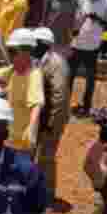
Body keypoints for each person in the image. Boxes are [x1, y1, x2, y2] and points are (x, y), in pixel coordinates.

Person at [0, 28, 43, 154]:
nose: (9, 56)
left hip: (20, 145)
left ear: (26, 53)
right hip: (7, 140)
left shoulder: (34, 76)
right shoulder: (13, 71)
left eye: (12, 52)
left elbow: (36, 105)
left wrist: (31, 130)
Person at [31, 27, 69, 203]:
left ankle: (47, 196)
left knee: (46, 157)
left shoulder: (56, 64)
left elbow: (59, 97)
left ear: (44, 45)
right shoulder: (39, 60)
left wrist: (52, 124)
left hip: (53, 119)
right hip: (40, 116)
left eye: (35, 43)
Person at [69, 0, 107, 118]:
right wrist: (73, 31)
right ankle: (63, 104)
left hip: (93, 47)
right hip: (76, 44)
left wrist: (97, 18)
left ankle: (86, 106)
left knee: (90, 79)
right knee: (69, 76)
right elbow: (76, 19)